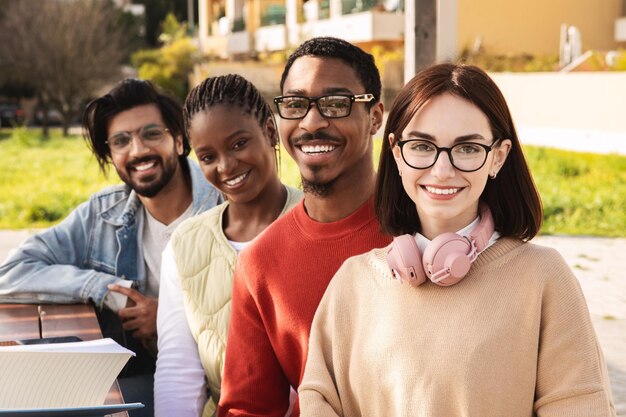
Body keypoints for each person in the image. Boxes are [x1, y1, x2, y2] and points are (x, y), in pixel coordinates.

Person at [298, 63, 616, 416]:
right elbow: (318, 400)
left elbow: (580, 405)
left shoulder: (543, 278)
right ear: (396, 152)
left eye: (467, 149)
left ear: (498, 156)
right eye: (421, 146)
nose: (442, 170)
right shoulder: (352, 283)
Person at [0, 78, 221, 416]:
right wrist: (106, 289)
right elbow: (13, 271)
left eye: (151, 133)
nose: (138, 151)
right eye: (121, 141)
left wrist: (168, 317)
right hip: (155, 378)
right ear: (111, 155)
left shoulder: (224, 202)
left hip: (221, 385)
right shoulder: (105, 214)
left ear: (178, 140)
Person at [217, 37, 392, 417]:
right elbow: (248, 409)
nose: (311, 123)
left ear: (375, 116)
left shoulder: (429, 229)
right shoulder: (260, 263)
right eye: (295, 105)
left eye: (335, 103)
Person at [154, 74, 303, 417]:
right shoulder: (184, 246)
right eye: (207, 156)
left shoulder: (320, 222)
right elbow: (178, 371)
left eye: (238, 144)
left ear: (269, 131)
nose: (226, 166)